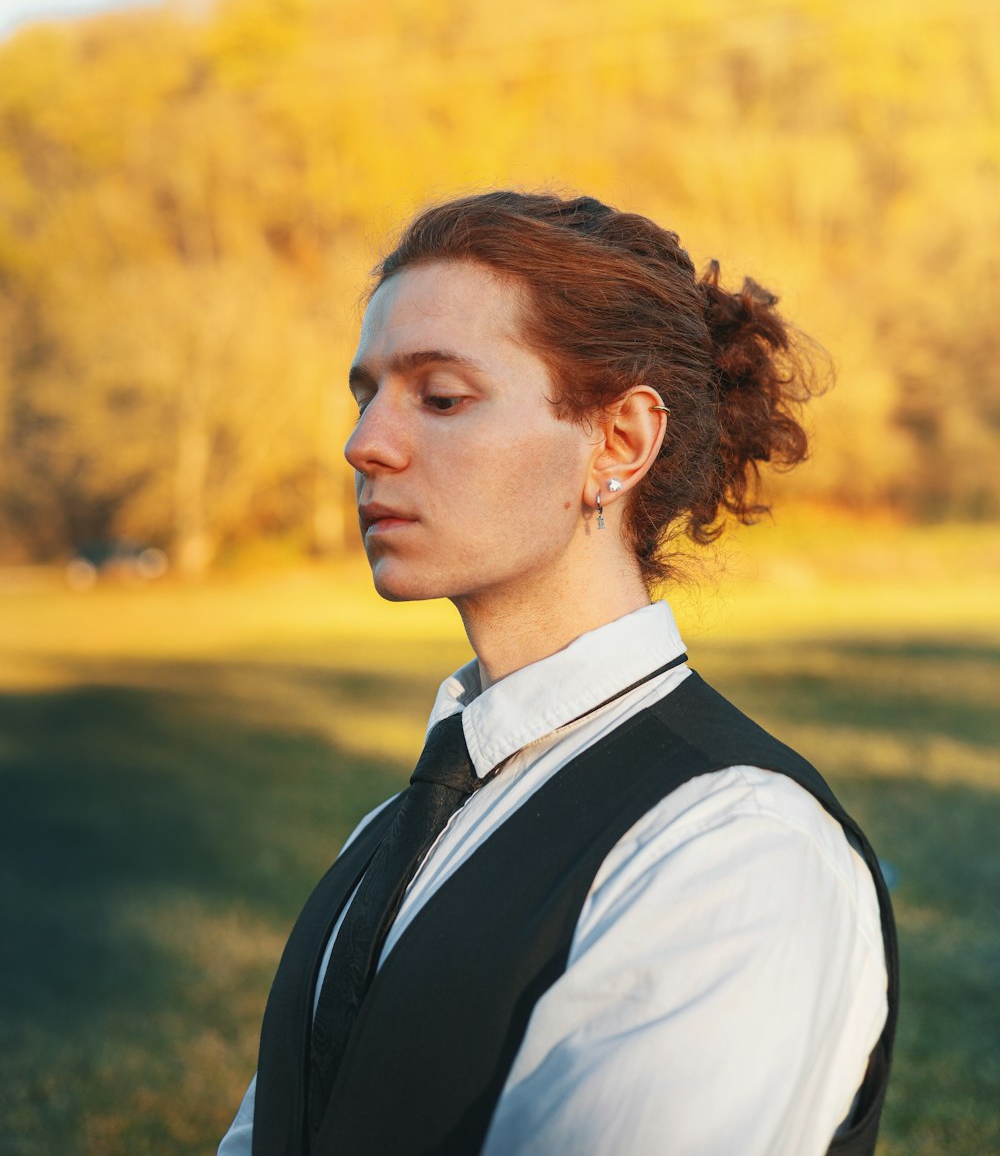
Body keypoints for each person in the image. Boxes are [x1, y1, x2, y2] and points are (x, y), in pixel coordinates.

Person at [219, 190, 897, 1156]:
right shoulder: (396, 829)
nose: (364, 443)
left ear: (619, 441)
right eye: (366, 392)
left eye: (441, 396)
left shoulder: (737, 851)